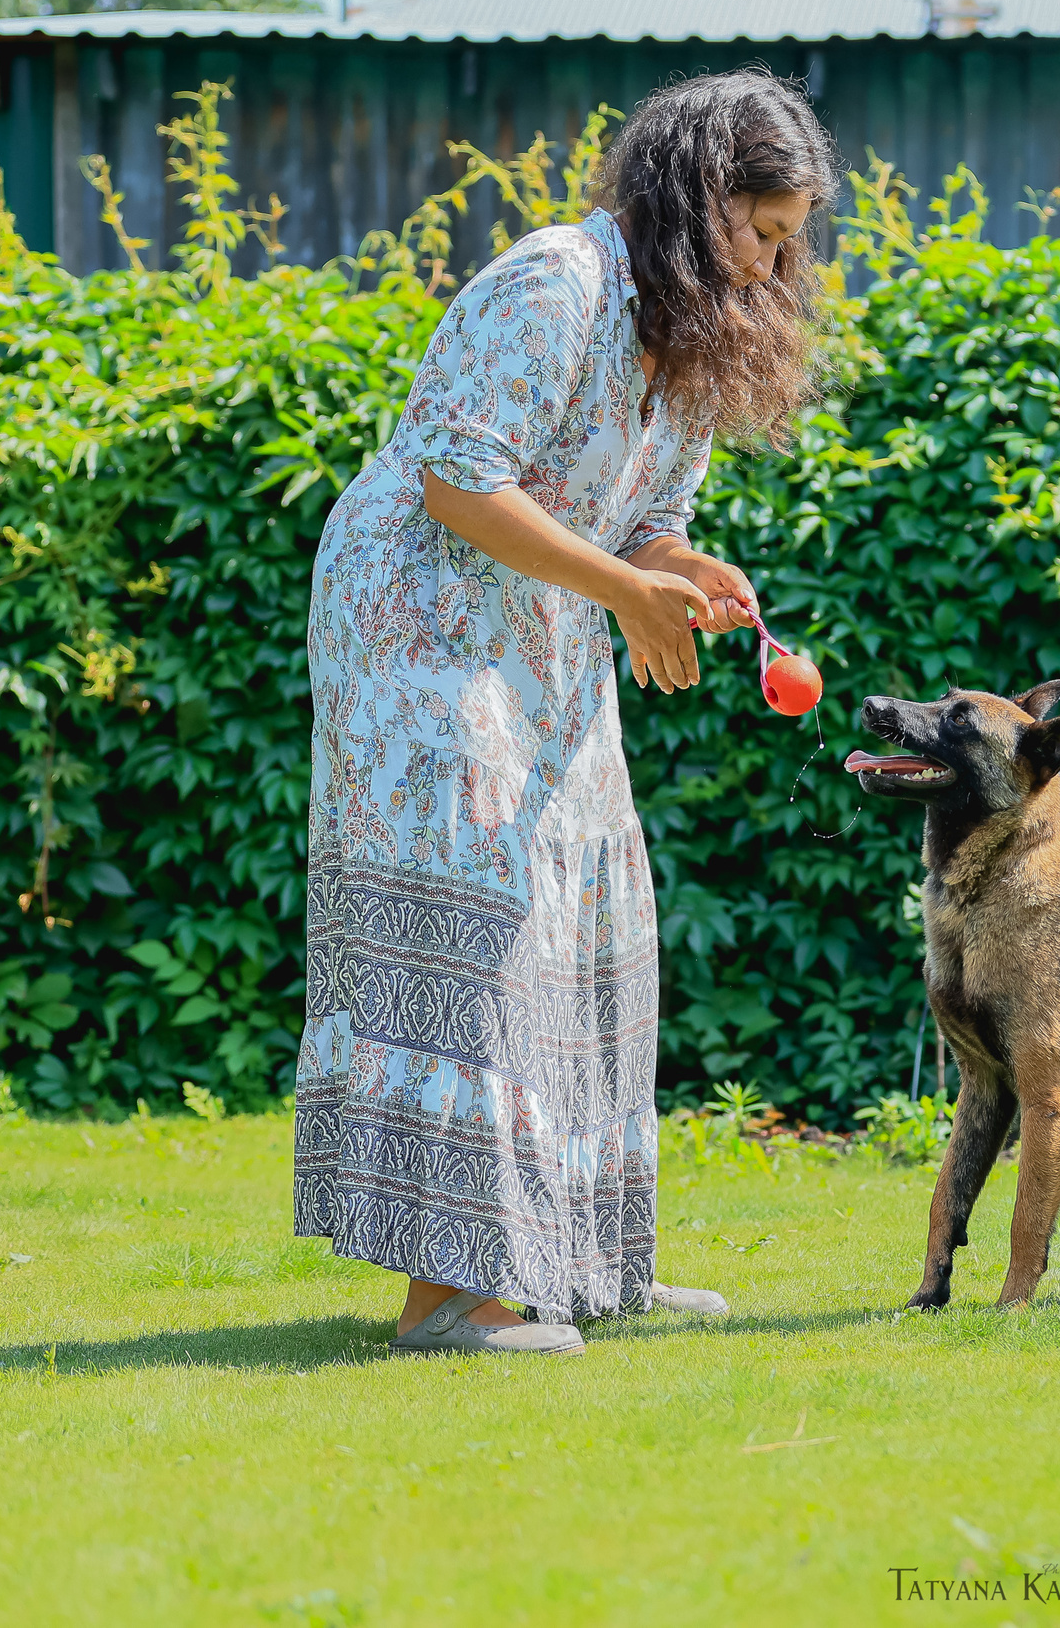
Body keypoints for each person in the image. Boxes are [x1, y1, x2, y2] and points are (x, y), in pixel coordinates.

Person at [291, 69, 835, 1355]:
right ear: (698, 203)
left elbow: (635, 510)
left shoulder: (684, 333)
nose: (770, 267)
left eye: (785, 243)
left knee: (594, 910)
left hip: (536, 624)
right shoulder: (554, 283)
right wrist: (625, 590)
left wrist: (677, 565)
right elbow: (455, 482)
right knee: (481, 909)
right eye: (759, 233)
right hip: (417, 629)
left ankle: (586, 1259)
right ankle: (448, 1296)